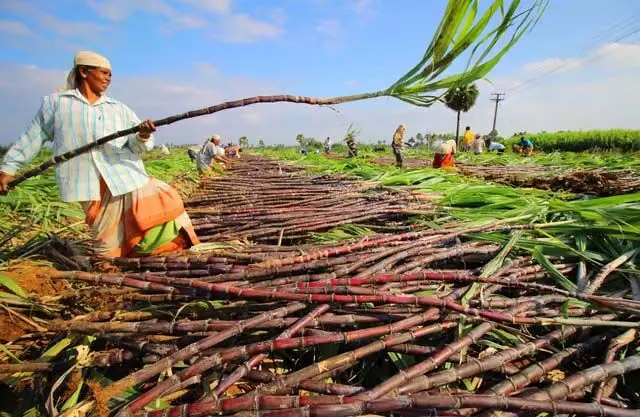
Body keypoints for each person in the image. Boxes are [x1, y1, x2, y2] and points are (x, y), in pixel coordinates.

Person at [0, 51, 199, 258]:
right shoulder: (57, 104)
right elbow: (33, 137)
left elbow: (136, 148)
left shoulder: (118, 109)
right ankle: (113, 261)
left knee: (164, 199)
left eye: (110, 75)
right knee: (105, 243)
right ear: (84, 72)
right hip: (85, 181)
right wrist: (8, 168)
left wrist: (143, 135)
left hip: (124, 176)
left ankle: (146, 253)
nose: (108, 79)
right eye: (104, 73)